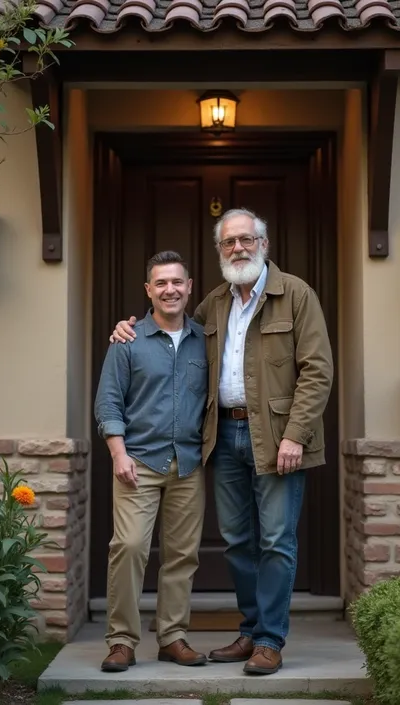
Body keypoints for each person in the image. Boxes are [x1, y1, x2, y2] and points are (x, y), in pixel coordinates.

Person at [110, 208, 334, 675]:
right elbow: (166, 340)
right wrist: (125, 329)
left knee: (275, 539)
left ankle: (271, 640)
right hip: (223, 437)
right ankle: (251, 631)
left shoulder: (296, 295)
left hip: (277, 438)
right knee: (236, 539)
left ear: (264, 244)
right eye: (229, 242)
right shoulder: (211, 304)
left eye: (246, 240)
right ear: (219, 251)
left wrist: (296, 435)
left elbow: (318, 371)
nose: (238, 248)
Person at [95, 250, 208, 673]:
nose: (170, 290)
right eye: (160, 283)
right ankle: (122, 641)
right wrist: (118, 453)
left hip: (189, 463)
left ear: (189, 286)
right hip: (138, 462)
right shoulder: (128, 341)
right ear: (148, 290)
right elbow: (108, 402)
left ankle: (173, 637)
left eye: (177, 282)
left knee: (182, 554)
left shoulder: (205, 340)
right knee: (128, 547)